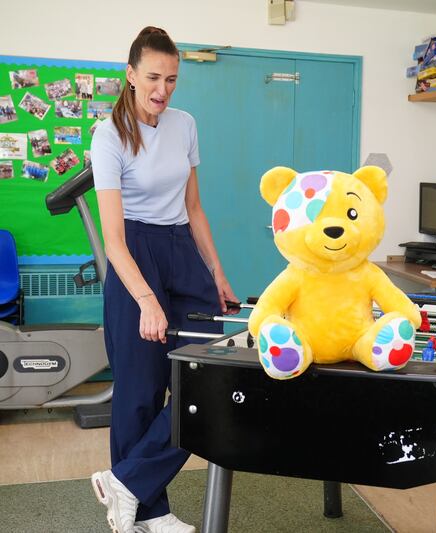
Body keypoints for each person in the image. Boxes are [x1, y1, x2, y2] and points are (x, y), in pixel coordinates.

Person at [89, 26, 238, 533]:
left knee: (210, 379)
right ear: (130, 75)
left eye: (172, 79)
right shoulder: (107, 136)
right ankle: (150, 513)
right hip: (135, 254)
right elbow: (112, 238)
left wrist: (215, 271)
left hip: (180, 247)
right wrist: (147, 300)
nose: (162, 89)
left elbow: (194, 208)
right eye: (153, 77)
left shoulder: (184, 124)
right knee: (139, 392)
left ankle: (124, 482)